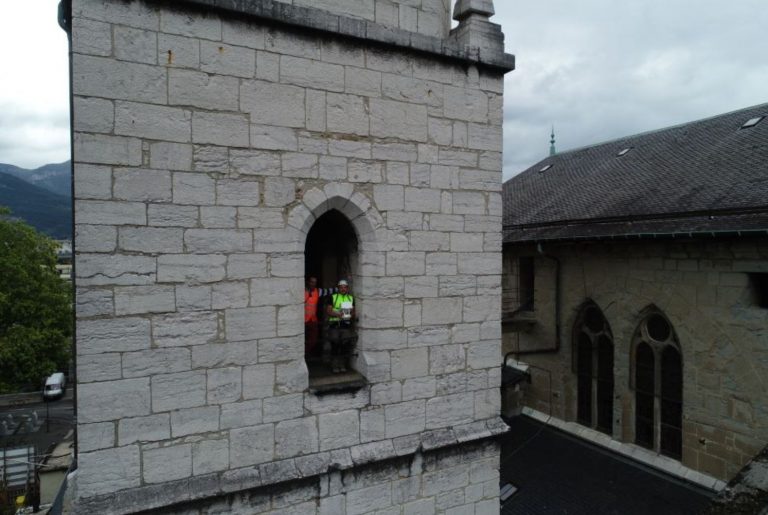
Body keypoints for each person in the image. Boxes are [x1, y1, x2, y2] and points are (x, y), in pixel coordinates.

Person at [326, 279, 355, 373]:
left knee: (344, 346)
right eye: (341, 287)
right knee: (335, 345)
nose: (343, 289)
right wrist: (338, 314)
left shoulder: (351, 298)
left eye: (344, 287)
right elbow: (329, 311)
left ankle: (342, 365)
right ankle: (334, 365)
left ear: (347, 288)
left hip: (345, 325)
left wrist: (351, 313)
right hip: (334, 325)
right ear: (338, 288)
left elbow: (354, 311)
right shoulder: (333, 297)